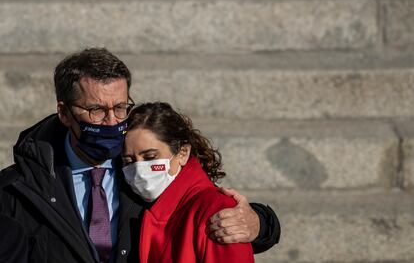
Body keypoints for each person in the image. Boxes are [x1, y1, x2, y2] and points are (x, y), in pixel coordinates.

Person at [0, 48, 280, 263]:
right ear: (64, 112)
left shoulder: (145, 170)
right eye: (96, 110)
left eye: (120, 107)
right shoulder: (16, 190)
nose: (111, 121)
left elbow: (195, 204)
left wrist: (260, 222)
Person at [122, 102, 255, 262]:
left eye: (150, 157)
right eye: (129, 161)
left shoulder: (216, 211)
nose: (139, 169)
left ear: (183, 153)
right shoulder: (134, 204)